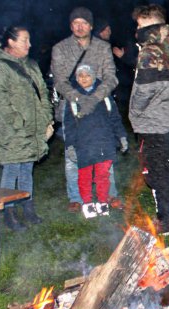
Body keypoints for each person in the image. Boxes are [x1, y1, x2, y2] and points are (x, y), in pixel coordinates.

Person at [51, 7, 121, 213]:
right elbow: (60, 81)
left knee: (105, 150)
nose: (79, 27)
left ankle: (109, 194)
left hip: (100, 109)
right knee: (73, 153)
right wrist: (80, 99)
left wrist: (95, 99)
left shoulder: (102, 47)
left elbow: (111, 76)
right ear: (71, 25)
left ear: (91, 26)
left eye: (84, 23)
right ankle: (76, 197)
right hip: (72, 108)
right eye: (75, 23)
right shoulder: (60, 48)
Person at [0, 26, 54, 231]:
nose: (30, 44)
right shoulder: (1, 66)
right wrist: (19, 122)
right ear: (11, 42)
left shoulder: (31, 64)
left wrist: (47, 121)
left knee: (27, 169)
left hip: (33, 127)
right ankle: (9, 213)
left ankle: (27, 208)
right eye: (25, 40)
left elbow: (43, 93)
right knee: (12, 169)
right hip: (12, 129)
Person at [129, 4, 169, 235]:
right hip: (164, 116)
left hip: (150, 119)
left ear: (150, 24)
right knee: (161, 168)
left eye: (139, 25)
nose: (136, 29)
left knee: (155, 171)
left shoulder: (150, 50)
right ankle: (167, 215)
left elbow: (144, 89)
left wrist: (135, 111)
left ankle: (165, 219)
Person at [63, 65, 128, 219]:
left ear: (93, 77)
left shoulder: (104, 96)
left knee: (102, 176)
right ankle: (87, 204)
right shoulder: (73, 98)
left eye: (87, 75)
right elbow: (69, 124)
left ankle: (103, 202)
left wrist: (122, 136)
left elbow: (115, 118)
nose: (83, 78)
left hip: (103, 143)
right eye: (80, 76)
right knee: (84, 176)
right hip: (83, 145)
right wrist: (70, 145)